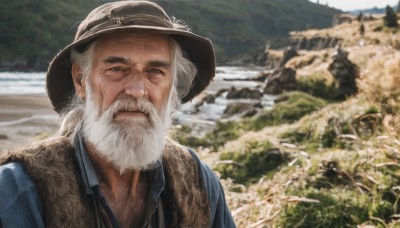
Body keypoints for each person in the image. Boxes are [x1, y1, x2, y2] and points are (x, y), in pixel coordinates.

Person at [0, 1, 235, 227]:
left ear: (171, 86)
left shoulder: (199, 182)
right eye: (117, 69)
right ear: (81, 80)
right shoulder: (17, 192)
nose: (137, 90)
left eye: (155, 71)